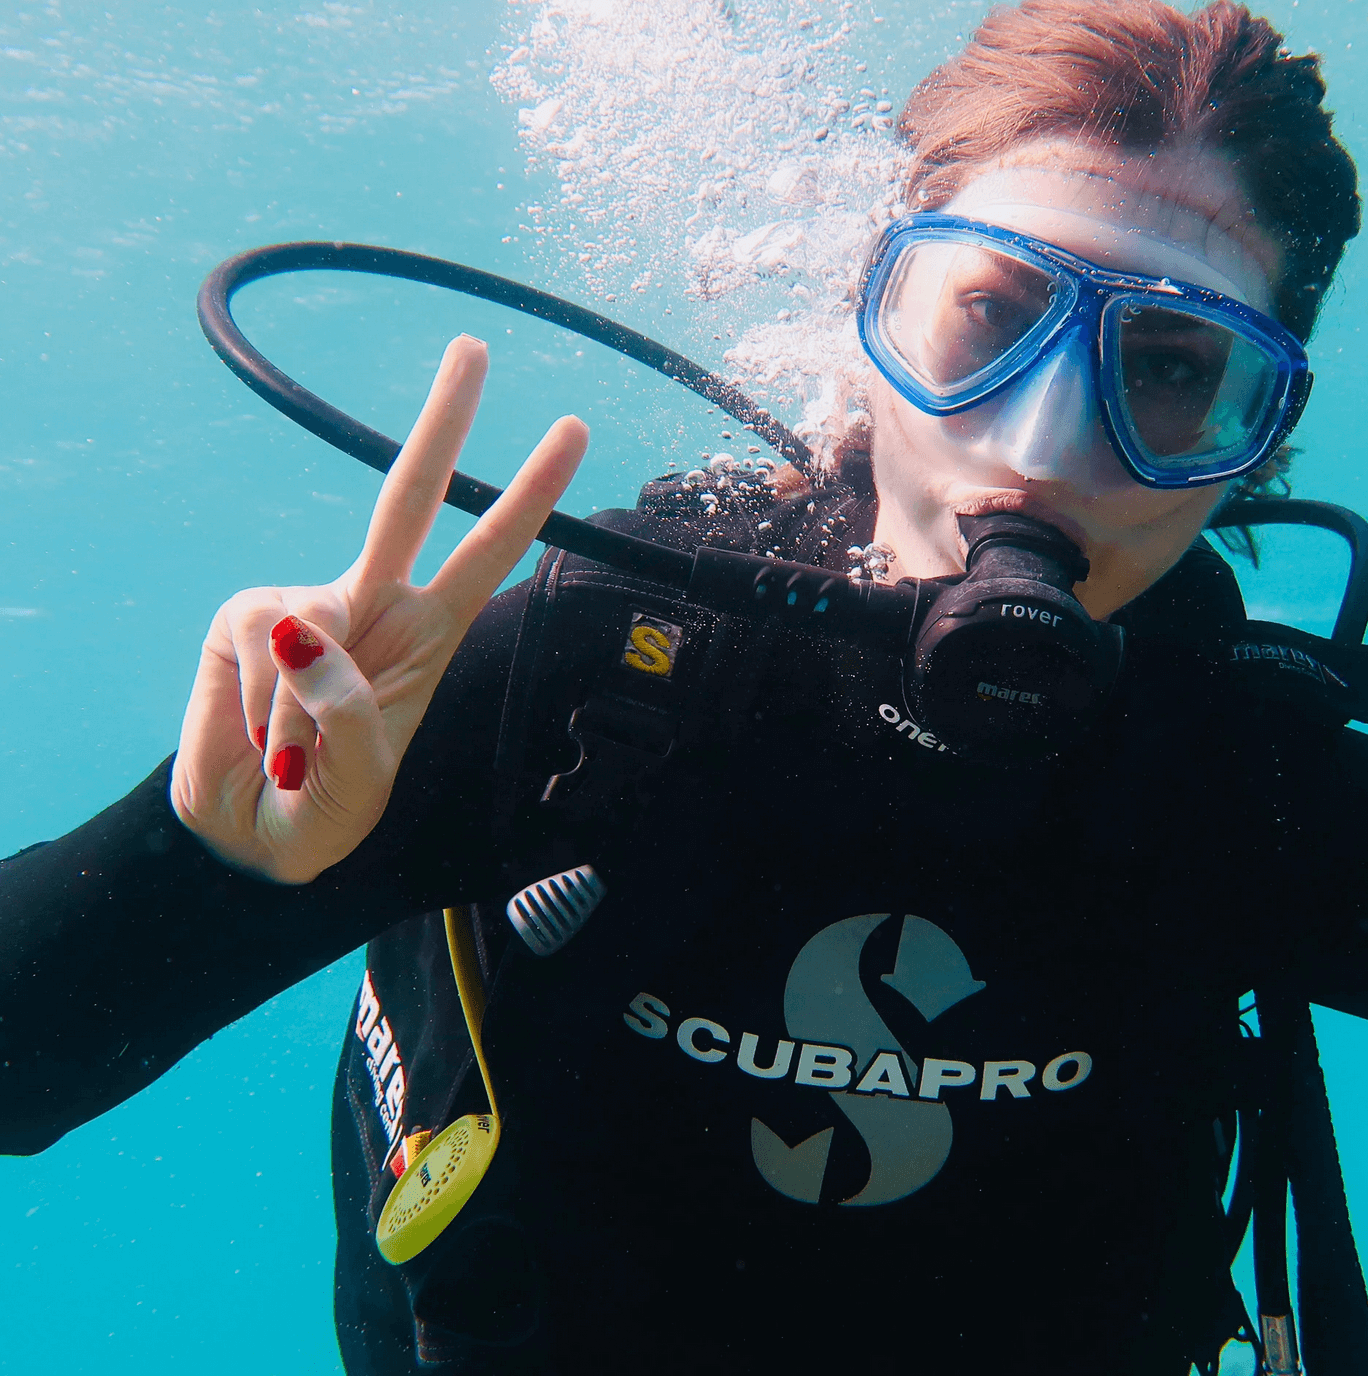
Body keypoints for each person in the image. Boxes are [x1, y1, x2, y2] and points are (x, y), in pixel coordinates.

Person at [2, 0, 1366, 1371]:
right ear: (877, 313)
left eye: (1170, 368)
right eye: (995, 317)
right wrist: (205, 861)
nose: (1044, 445)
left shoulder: (1247, 771)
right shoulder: (591, 680)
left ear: (1256, 436)